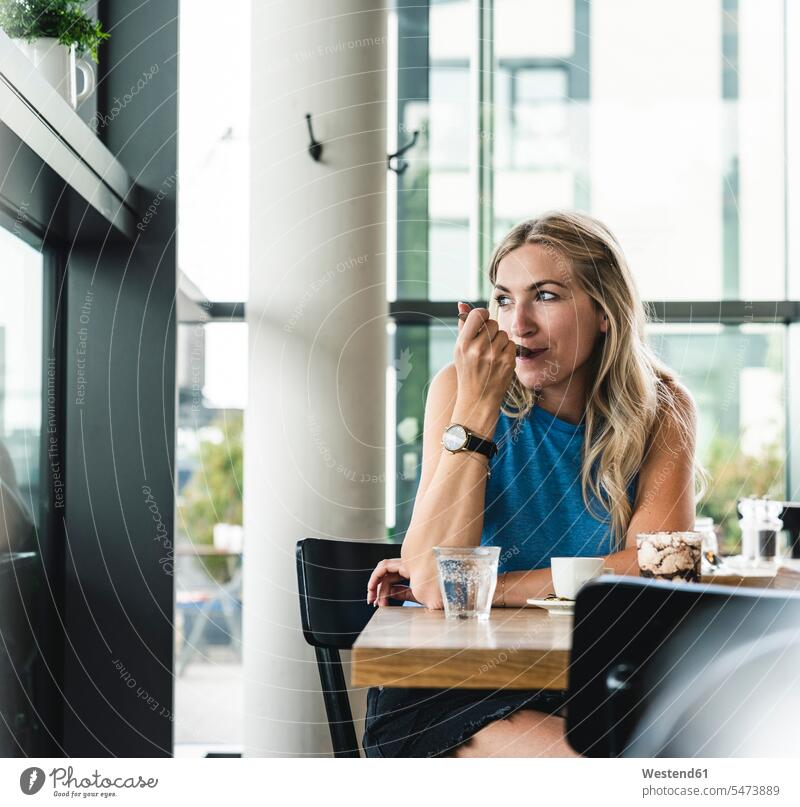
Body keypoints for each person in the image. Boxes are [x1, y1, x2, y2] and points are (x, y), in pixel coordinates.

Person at [363, 210, 703, 757]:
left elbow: (657, 567)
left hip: (594, 680)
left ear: (604, 313)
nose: (516, 325)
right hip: (453, 688)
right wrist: (476, 408)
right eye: (502, 299)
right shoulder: (458, 388)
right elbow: (431, 584)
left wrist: (487, 588)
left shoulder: (661, 409)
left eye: (544, 296)